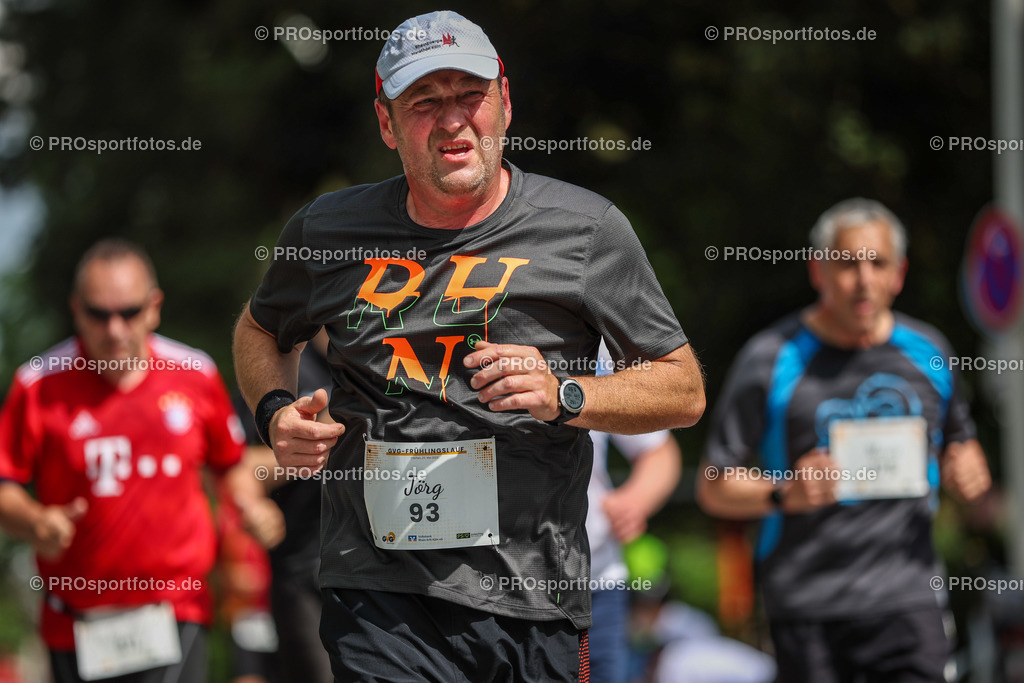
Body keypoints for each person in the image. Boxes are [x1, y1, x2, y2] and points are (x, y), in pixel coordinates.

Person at [232, 10, 705, 681]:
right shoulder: (328, 229)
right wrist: (275, 408)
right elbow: (259, 328)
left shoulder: (586, 229)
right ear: (387, 123)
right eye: (424, 102)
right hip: (380, 592)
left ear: (505, 104)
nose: (452, 121)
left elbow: (682, 388)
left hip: (534, 591)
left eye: (468, 96)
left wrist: (566, 393)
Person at [696, 198, 991, 682]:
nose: (863, 279)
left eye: (877, 263)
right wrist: (784, 491)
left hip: (910, 600)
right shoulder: (773, 358)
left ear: (899, 274)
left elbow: (962, 441)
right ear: (818, 270)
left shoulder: (930, 351)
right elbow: (713, 484)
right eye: (848, 263)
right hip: (808, 606)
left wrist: (969, 465)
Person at [0, 239, 247, 683]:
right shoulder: (36, 384)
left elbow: (230, 469)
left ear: (154, 307)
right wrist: (36, 521)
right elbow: (4, 487)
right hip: (74, 619)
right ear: (76, 309)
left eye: (129, 312)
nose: (114, 329)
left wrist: (255, 506)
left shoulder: (197, 374)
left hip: (175, 611)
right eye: (98, 314)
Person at [588, 345, 682, 683]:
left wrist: (635, 499)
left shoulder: (591, 339)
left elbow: (659, 451)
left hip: (594, 583)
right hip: (471, 581)